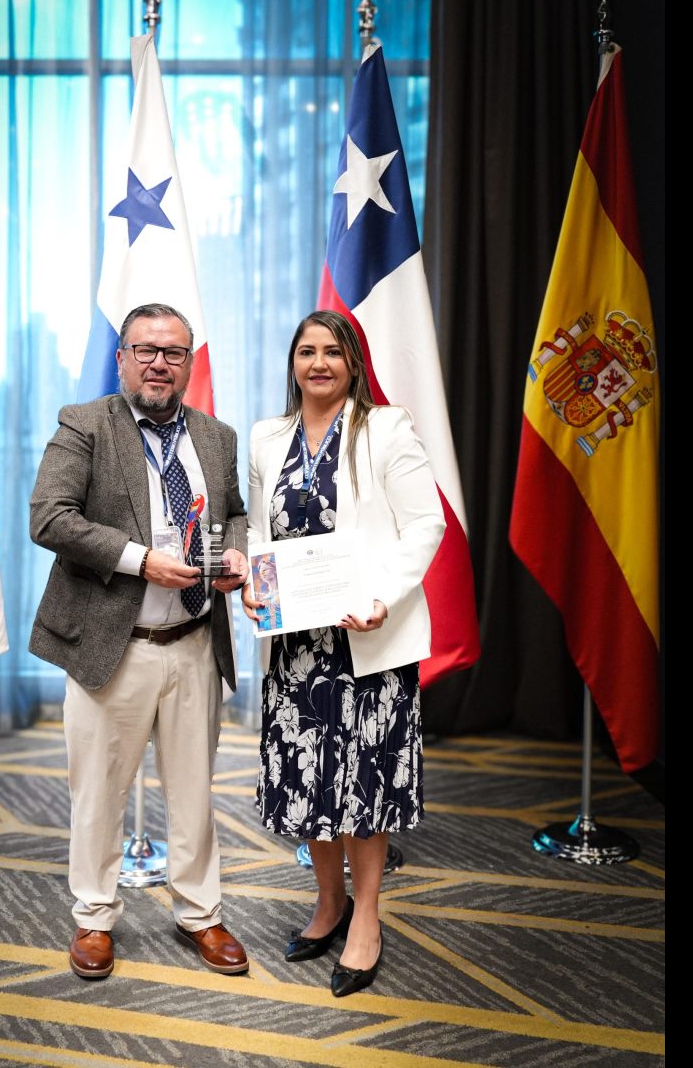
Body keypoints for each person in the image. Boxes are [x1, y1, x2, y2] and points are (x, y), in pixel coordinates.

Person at [30, 302, 252, 981]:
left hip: (194, 640)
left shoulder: (216, 435)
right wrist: (140, 561)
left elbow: (235, 514)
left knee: (193, 790)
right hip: (112, 645)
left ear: (188, 362)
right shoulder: (85, 424)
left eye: (173, 352)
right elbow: (49, 518)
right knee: (98, 791)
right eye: (146, 350)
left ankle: (201, 913)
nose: (159, 363)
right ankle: (95, 917)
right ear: (122, 358)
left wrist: (237, 555)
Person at [240, 310, 444, 997]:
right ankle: (329, 905)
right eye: (307, 351)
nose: (319, 363)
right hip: (297, 646)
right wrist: (258, 589)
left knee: (366, 786)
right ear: (292, 362)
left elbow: (426, 524)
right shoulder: (267, 437)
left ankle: (367, 920)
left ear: (353, 362)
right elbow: (261, 534)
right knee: (310, 782)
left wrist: (383, 596)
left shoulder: (387, 428)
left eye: (332, 351)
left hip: (368, 640)